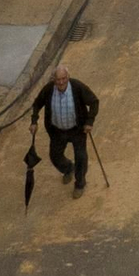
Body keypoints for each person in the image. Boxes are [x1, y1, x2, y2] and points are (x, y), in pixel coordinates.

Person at [30, 66, 99, 195]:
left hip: (77, 130)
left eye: (63, 79)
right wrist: (34, 121)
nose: (61, 82)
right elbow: (37, 104)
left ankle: (80, 184)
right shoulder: (49, 89)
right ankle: (68, 168)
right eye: (58, 80)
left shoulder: (77, 87)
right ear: (53, 79)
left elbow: (94, 102)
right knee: (55, 156)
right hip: (57, 131)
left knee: (80, 157)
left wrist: (89, 122)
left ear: (68, 77)